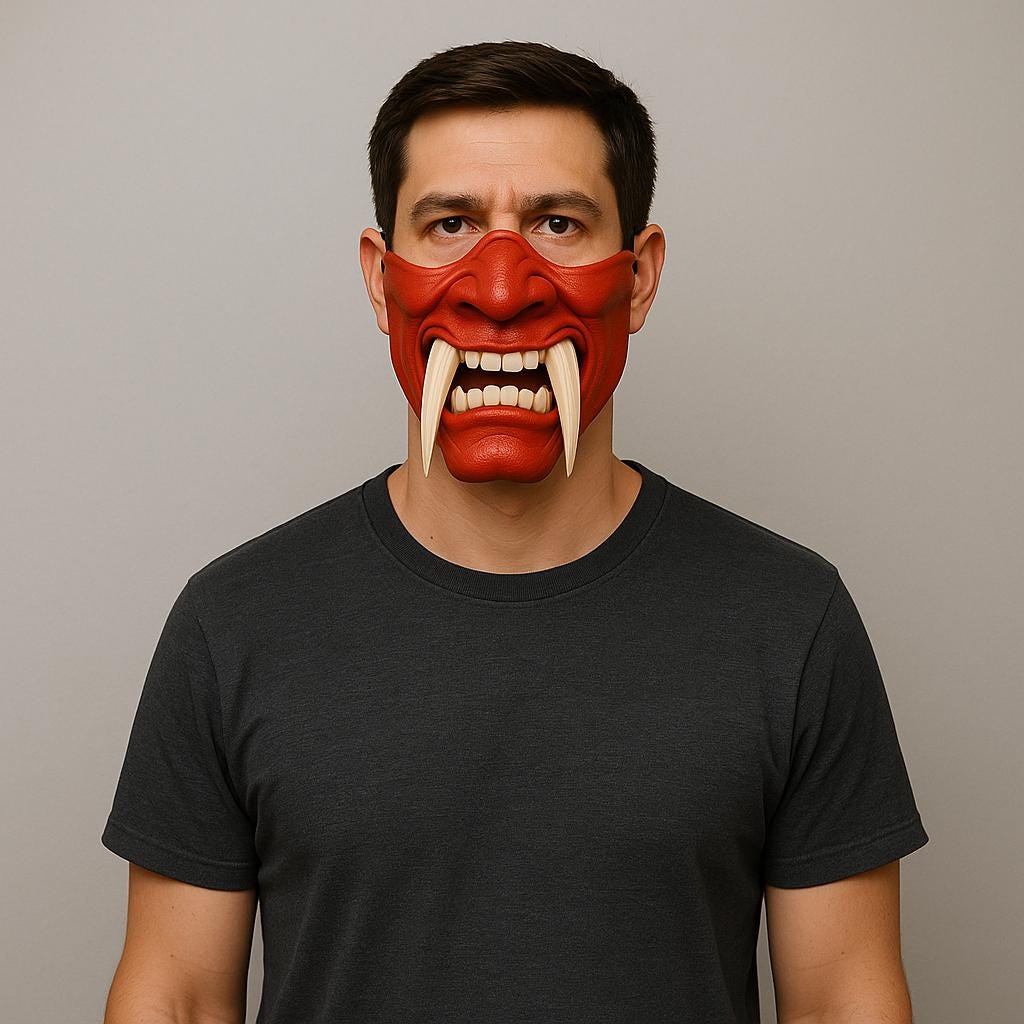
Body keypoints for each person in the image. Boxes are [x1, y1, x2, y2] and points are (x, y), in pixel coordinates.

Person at [101, 40, 929, 1024]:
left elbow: (845, 1000)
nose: (502, 288)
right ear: (381, 277)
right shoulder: (232, 624)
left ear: (639, 275)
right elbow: (179, 997)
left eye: (559, 222)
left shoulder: (788, 620)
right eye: (449, 224)